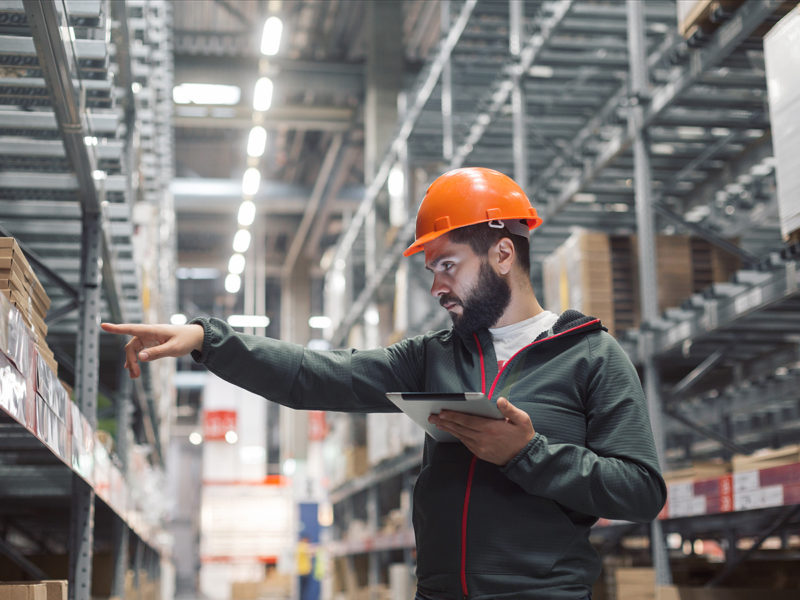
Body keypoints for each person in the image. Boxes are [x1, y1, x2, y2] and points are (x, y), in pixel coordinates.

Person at [103, 167, 666, 600]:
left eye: (448, 265)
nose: (436, 286)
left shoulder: (590, 355)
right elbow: (316, 376)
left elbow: (642, 490)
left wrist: (528, 454)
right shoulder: (430, 358)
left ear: (502, 253)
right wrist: (208, 339)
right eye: (431, 271)